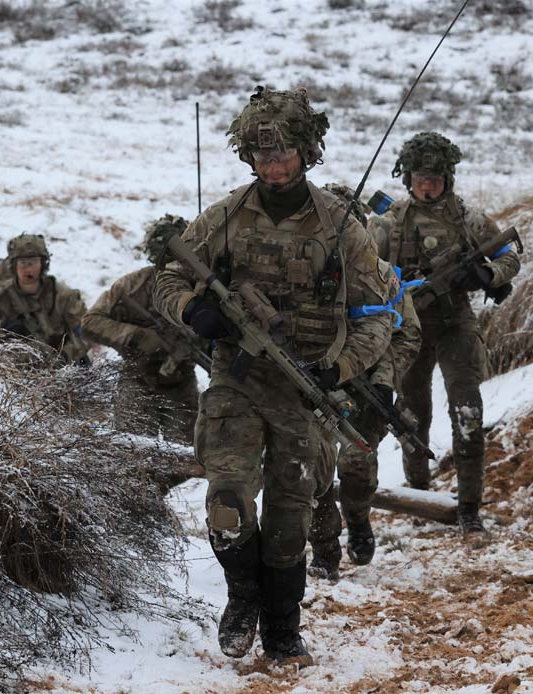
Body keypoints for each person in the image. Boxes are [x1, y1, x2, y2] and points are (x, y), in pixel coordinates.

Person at [154, 87, 394, 664]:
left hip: (307, 392)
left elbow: (379, 315)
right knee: (227, 502)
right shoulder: (227, 218)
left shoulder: (342, 227)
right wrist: (193, 310)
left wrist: (340, 366)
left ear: (307, 154)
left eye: (284, 154)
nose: (273, 166)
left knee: (291, 520)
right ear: (247, 156)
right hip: (236, 383)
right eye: (262, 156)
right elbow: (168, 276)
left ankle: (283, 628)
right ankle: (242, 596)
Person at [372, 132, 521, 534]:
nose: (427, 185)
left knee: (468, 412)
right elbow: (365, 269)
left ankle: (469, 506)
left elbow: (509, 255)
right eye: (420, 177)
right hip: (409, 328)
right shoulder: (389, 223)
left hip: (456, 323)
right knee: (410, 416)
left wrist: (488, 274)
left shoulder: (468, 220)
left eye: (435, 177)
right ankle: (419, 496)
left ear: (448, 177)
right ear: (407, 178)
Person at [308, 184, 422, 581]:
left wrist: (385, 380)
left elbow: (407, 334)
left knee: (357, 467)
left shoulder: (384, 277)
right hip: (315, 386)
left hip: (368, 389)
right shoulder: (303, 274)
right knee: (315, 470)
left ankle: (357, 519)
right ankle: (324, 549)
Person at [80, 215, 204, 444]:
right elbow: (90, 322)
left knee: (187, 458)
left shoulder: (201, 289)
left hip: (181, 384)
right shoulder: (132, 286)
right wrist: (136, 336)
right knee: (132, 453)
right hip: (136, 380)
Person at [0, 233, 90, 365]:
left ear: (43, 264)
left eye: (33, 262)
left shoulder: (64, 296)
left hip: (63, 368)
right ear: (14, 266)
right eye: (23, 263)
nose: (28, 269)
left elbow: (86, 335)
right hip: (16, 369)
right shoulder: (2, 297)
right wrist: (2, 328)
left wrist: (64, 357)